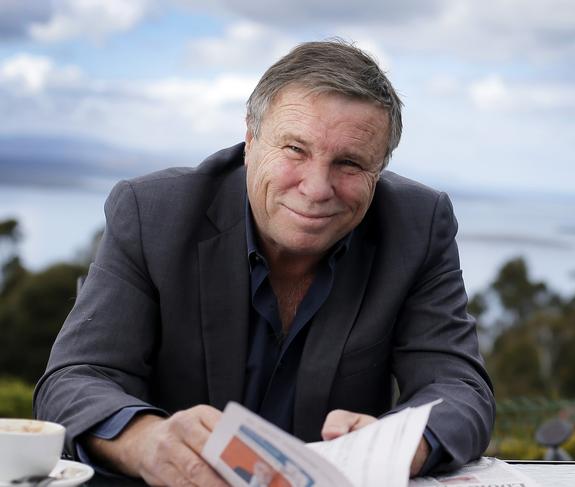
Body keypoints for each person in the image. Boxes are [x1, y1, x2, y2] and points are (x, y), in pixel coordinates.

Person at [34, 40, 495, 485]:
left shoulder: (417, 224)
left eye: (350, 164)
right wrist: (146, 441)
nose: (316, 188)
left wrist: (396, 445)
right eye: (295, 149)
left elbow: (459, 388)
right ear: (251, 140)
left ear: (380, 168)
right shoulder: (151, 213)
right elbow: (76, 379)